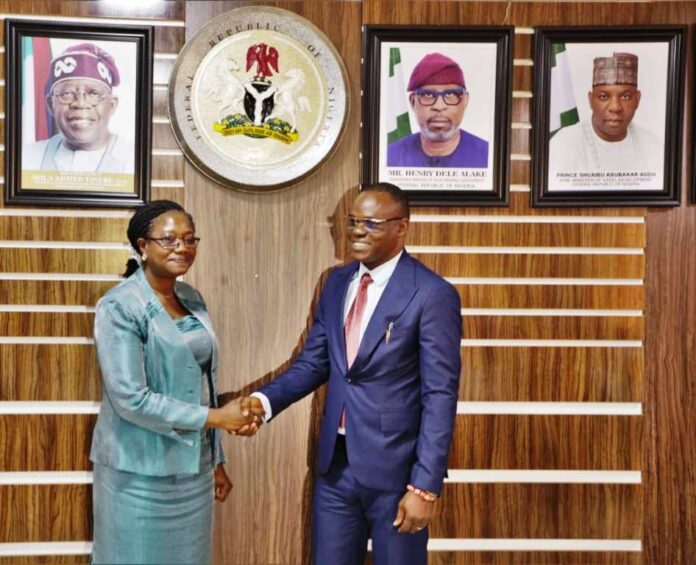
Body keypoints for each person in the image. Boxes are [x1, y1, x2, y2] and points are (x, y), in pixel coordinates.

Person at [240, 183, 462, 564]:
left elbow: (440, 395)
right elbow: (315, 363)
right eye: (353, 221)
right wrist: (262, 402)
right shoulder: (337, 283)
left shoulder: (431, 293)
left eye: (372, 223)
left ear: (402, 227)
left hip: (397, 475)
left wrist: (425, 487)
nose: (358, 231)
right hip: (335, 470)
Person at [89, 200, 264, 565]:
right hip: (137, 474)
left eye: (189, 239)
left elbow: (204, 383)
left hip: (194, 472)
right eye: (168, 240)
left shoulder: (192, 299)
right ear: (142, 245)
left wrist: (216, 460)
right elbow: (130, 399)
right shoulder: (119, 305)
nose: (182, 248)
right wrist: (217, 418)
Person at [22, 42, 134, 173]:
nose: (80, 104)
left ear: (111, 105)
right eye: (67, 93)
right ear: (51, 104)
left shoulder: (134, 160)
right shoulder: (26, 159)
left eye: (94, 94)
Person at [548, 52, 663, 176]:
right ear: (591, 100)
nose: (615, 107)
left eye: (625, 96)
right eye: (603, 97)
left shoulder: (652, 146)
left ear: (637, 99)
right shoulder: (563, 145)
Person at [387, 52, 488, 168]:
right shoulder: (391, 157)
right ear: (413, 101)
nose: (439, 106)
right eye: (428, 95)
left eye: (450, 94)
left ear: (465, 101)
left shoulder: (488, 157)